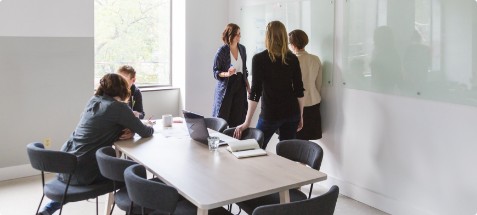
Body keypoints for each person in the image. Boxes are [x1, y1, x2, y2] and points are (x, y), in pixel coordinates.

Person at [38, 73, 154, 215]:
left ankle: (49, 209)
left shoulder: (93, 100)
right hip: (85, 173)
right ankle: (136, 210)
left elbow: (97, 128)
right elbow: (146, 132)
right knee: (132, 174)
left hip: (66, 167)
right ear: (123, 89)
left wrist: (121, 132)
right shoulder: (119, 108)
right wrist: (144, 127)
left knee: (119, 168)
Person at [233, 21, 305, 149]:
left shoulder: (259, 59)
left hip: (270, 113)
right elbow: (299, 91)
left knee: (255, 149)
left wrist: (247, 121)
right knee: (287, 155)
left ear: (267, 37)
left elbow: (255, 93)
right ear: (283, 36)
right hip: (291, 113)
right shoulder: (292, 58)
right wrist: (301, 115)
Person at [212, 23, 250, 127]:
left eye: (239, 34)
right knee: (222, 119)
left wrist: (248, 87)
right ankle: (220, 142)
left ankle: (235, 142)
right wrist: (227, 73)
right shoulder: (222, 51)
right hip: (226, 87)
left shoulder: (242, 49)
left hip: (240, 86)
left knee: (238, 119)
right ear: (230, 35)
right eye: (237, 34)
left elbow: (244, 70)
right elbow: (215, 72)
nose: (239, 37)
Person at [288, 29, 323, 140]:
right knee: (306, 141)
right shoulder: (315, 59)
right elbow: (319, 83)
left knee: (294, 141)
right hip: (313, 102)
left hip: (296, 104)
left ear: (293, 44)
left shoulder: (291, 61)